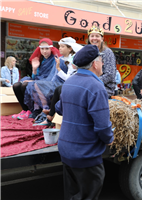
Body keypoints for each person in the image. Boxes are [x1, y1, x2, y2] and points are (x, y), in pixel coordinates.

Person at [55, 45, 114, 200]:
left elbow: (59, 109)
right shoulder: (96, 87)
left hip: (66, 150)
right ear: (95, 63)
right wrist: (110, 139)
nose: (103, 64)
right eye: (101, 60)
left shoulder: (68, 82)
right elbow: (103, 126)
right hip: (85, 154)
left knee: (73, 195)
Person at [34, 37, 83, 126]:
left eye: (62, 46)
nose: (59, 48)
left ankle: (49, 115)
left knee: (58, 89)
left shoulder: (73, 58)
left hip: (78, 84)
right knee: (51, 89)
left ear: (70, 48)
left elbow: (69, 78)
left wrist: (58, 68)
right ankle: (47, 113)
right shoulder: (66, 59)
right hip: (71, 82)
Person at [12, 38, 61, 119]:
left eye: (47, 48)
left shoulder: (55, 59)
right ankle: (25, 110)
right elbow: (34, 77)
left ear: (51, 48)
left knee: (26, 84)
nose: (44, 51)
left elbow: (53, 77)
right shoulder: (40, 58)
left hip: (50, 82)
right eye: (42, 48)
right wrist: (34, 69)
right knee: (16, 85)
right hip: (38, 80)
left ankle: (33, 110)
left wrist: (34, 80)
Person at [88, 25, 116, 98]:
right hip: (89, 85)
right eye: (92, 36)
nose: (94, 38)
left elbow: (110, 74)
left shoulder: (107, 53)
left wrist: (91, 82)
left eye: (97, 36)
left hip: (105, 88)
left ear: (102, 38)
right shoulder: (86, 52)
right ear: (89, 38)